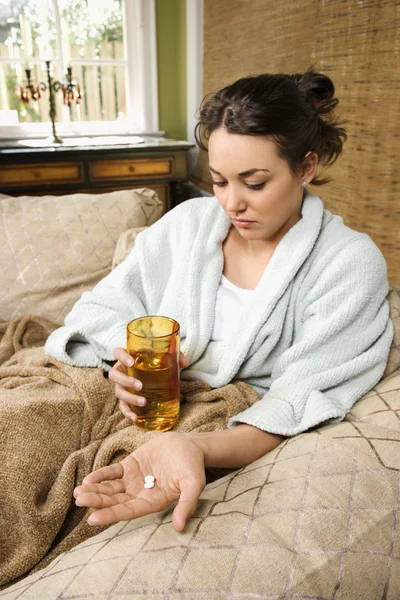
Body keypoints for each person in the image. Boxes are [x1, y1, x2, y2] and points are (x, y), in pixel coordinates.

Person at [45, 68, 393, 533]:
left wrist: (198, 448)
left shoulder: (348, 263)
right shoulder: (189, 223)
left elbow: (300, 395)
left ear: (306, 167)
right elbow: (99, 310)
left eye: (254, 183)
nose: (232, 204)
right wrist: (120, 362)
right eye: (220, 181)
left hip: (218, 420)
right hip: (124, 396)